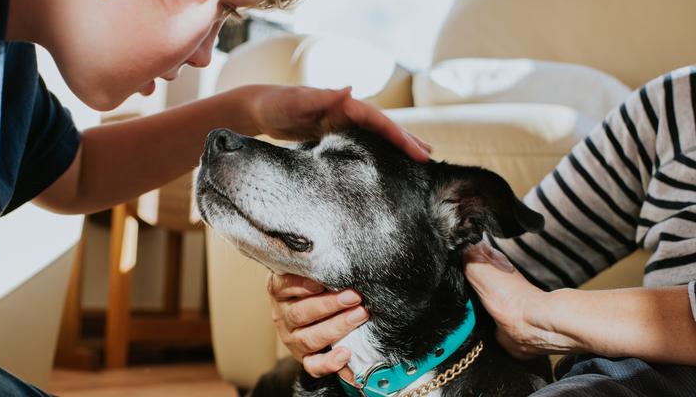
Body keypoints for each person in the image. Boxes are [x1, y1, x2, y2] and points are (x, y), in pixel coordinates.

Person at [0, 0, 433, 394]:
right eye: (222, 7)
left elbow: (77, 176)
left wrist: (251, 108)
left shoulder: (5, 73)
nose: (208, 53)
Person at [261, 67, 696, 396]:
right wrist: (323, 310)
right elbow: (510, 258)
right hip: (623, 371)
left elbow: (523, 307)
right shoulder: (670, 107)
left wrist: (545, 315)